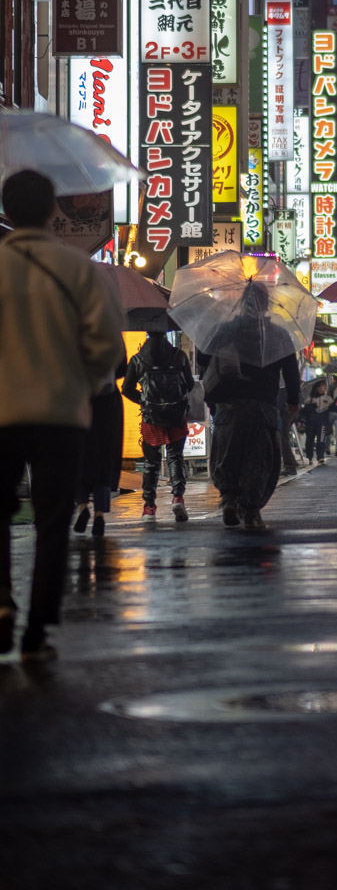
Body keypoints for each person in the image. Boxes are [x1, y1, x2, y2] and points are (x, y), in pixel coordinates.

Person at [0, 170, 124, 661]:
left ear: (6, 210)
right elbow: (108, 349)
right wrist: (81, 382)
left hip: (3, 412)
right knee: (53, 519)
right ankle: (38, 631)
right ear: (54, 209)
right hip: (61, 413)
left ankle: (2, 608)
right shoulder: (79, 271)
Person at [198, 289, 301, 530]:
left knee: (227, 456)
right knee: (259, 460)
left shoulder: (225, 330)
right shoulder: (278, 334)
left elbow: (203, 359)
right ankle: (252, 510)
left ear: (241, 304)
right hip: (263, 405)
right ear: (266, 306)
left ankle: (229, 500)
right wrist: (293, 401)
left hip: (228, 404)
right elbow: (291, 373)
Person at [123, 329, 194, 523]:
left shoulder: (138, 359)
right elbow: (189, 384)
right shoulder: (179, 356)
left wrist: (145, 402)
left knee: (151, 463)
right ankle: (178, 497)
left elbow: (126, 389)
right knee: (175, 457)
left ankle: (149, 507)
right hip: (176, 416)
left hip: (150, 418)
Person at [74, 353, 126, 538]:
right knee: (106, 456)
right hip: (108, 400)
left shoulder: (74, 329)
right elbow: (122, 368)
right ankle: (99, 514)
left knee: (81, 455)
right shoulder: (110, 331)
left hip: (81, 398)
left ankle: (82, 507)